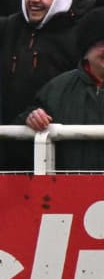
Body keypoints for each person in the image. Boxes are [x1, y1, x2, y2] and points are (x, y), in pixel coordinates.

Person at [25, 9, 104, 169]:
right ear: (86, 50)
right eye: (101, 42)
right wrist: (31, 118)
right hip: (68, 189)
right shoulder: (57, 89)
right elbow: (21, 135)